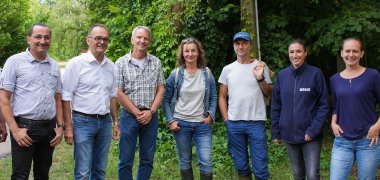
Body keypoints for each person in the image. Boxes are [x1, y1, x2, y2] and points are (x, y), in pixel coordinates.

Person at [0, 23, 64, 179]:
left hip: (49, 129)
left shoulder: (54, 66)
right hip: (24, 128)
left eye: (46, 37)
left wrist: (60, 127)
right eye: (38, 36)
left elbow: (57, 98)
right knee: (20, 175)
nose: (43, 41)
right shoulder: (15, 62)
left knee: (43, 174)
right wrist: (15, 130)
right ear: (28, 39)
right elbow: (4, 98)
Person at [61, 24, 119, 179]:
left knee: (100, 170)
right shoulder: (76, 64)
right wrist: (68, 127)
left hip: (105, 122)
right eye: (97, 38)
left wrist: (116, 122)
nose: (102, 42)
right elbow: (66, 96)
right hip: (82, 122)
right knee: (83, 171)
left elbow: (113, 96)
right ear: (88, 40)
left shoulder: (111, 66)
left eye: (105, 39)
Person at [270, 39, 329, 180]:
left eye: (298, 51)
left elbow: (324, 105)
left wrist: (313, 130)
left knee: (313, 175)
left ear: (305, 53)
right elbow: (276, 106)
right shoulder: (282, 76)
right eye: (291, 52)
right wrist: (276, 132)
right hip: (289, 135)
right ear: (288, 54)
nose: (295, 55)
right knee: (298, 174)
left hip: (311, 136)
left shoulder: (315, 74)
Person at [218, 32, 272, 180]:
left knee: (260, 166)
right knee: (241, 166)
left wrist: (260, 77)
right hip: (234, 123)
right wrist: (226, 119)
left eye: (244, 43)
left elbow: (269, 93)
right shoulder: (228, 69)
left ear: (251, 46)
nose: (241, 46)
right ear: (234, 46)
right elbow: (222, 96)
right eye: (238, 43)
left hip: (256, 122)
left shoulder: (260, 66)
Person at [162, 38, 217, 180]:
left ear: (198, 53)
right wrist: (170, 121)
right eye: (187, 51)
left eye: (193, 50)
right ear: (182, 54)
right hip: (181, 124)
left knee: (206, 161)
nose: (190, 54)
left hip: (202, 124)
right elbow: (166, 100)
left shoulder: (207, 73)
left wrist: (211, 115)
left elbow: (213, 97)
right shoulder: (175, 75)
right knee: (185, 161)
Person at [116, 25, 165, 180]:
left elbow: (161, 89)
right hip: (129, 116)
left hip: (150, 117)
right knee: (125, 159)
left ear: (149, 42)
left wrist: (150, 112)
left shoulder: (156, 63)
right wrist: (137, 113)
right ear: (132, 39)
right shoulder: (121, 63)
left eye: (145, 38)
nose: (142, 41)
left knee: (147, 158)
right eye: (139, 37)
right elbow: (118, 92)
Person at [329, 37, 380, 180]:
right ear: (341, 53)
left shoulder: (372, 75)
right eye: (347, 51)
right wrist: (333, 123)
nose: (351, 54)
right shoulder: (335, 79)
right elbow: (336, 106)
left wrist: (377, 126)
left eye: (355, 51)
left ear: (361, 53)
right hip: (342, 140)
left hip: (368, 139)